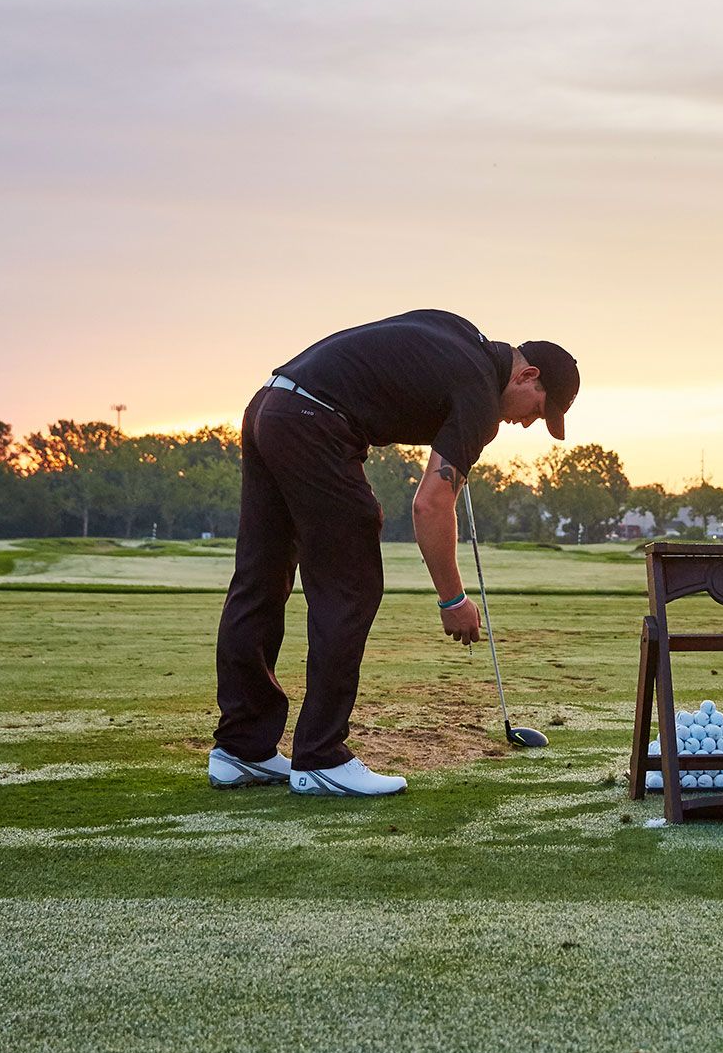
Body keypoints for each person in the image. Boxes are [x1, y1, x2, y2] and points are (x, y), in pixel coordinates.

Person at [206, 310, 579, 797]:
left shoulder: (463, 339)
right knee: (351, 584)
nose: (529, 423)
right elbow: (430, 504)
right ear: (528, 375)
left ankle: (242, 749)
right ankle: (320, 757)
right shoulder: (479, 393)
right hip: (312, 424)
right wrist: (453, 599)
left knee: (261, 577)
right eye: (539, 408)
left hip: (269, 407)